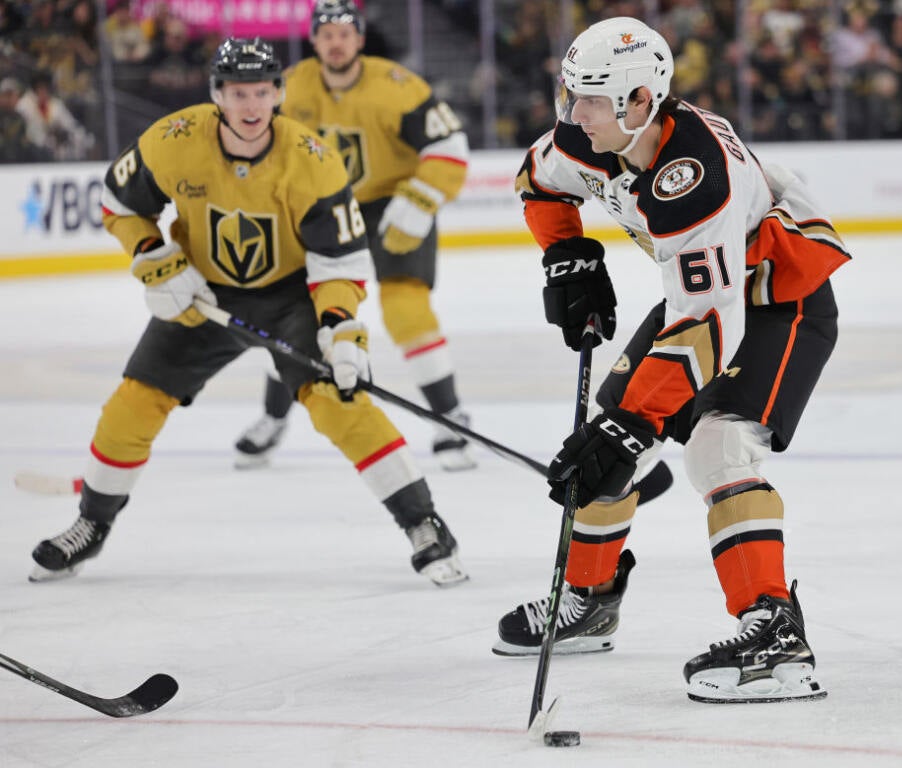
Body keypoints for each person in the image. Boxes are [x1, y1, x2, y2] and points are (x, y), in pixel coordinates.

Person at [491, 17, 850, 703]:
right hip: (708, 293)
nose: (574, 114)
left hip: (779, 298)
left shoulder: (693, 177)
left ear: (640, 102)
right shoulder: (587, 136)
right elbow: (536, 181)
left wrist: (635, 424)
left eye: (592, 99)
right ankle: (591, 600)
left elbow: (711, 326)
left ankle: (776, 635)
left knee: (716, 448)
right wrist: (567, 254)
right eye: (572, 95)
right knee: (605, 442)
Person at [28, 37, 467, 589]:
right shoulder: (172, 139)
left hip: (292, 298)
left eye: (262, 91)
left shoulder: (313, 161)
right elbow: (120, 204)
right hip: (204, 297)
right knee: (133, 404)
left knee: (341, 401)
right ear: (217, 95)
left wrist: (340, 327)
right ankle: (90, 524)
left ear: (280, 92)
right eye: (239, 93)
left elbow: (340, 259)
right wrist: (153, 258)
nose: (252, 105)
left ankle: (423, 523)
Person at [233, 0, 475, 472]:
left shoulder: (397, 87)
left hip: (393, 205)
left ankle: (449, 418)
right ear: (314, 40)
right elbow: (261, 148)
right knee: (293, 314)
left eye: (345, 33)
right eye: (327, 34)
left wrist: (423, 198)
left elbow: (449, 144)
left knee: (406, 310)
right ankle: (272, 417)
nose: (336, 42)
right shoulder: (290, 86)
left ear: (360, 38)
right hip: (324, 208)